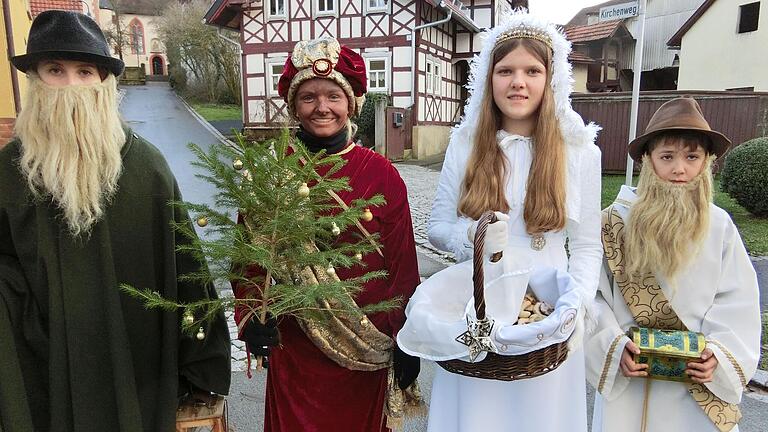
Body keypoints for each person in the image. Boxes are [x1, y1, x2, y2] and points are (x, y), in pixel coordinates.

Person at [0, 11, 231, 432]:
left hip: (136, 370)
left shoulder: (146, 167)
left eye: (84, 72)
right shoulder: (8, 174)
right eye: (55, 70)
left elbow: (187, 270)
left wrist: (202, 367)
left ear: (104, 84)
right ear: (34, 80)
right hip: (44, 374)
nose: (70, 86)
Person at [231, 36, 422, 431]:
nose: (322, 107)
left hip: (367, 343)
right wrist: (252, 317)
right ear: (294, 106)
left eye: (333, 96)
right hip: (295, 348)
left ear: (351, 103)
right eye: (309, 97)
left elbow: (402, 267)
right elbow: (248, 259)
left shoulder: (382, 174)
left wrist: (407, 338)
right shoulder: (271, 173)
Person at [426, 12, 603, 432]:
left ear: (552, 79)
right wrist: (471, 236)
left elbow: (586, 245)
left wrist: (574, 305)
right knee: (478, 415)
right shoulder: (466, 143)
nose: (517, 82)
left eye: (531, 71)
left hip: (547, 310)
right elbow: (436, 225)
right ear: (488, 79)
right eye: (505, 71)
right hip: (481, 303)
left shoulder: (579, 151)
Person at [585, 97, 761, 432]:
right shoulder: (610, 224)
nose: (679, 169)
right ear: (647, 161)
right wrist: (611, 344)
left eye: (691, 157)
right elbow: (591, 298)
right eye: (667, 157)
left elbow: (739, 301)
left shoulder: (719, 226)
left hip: (697, 387)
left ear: (705, 162)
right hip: (630, 383)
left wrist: (720, 355)